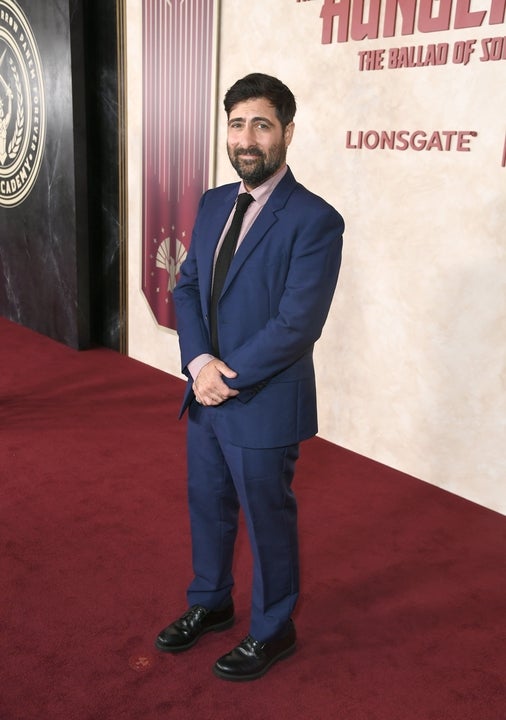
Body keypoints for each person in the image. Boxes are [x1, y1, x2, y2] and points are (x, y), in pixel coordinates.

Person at [155, 72, 344, 681]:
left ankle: (273, 628)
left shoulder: (315, 219)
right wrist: (198, 365)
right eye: (236, 124)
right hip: (205, 392)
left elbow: (297, 324)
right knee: (208, 505)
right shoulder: (214, 202)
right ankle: (211, 602)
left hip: (262, 399)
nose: (246, 138)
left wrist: (225, 377)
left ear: (287, 132)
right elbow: (188, 286)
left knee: (268, 520)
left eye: (261, 125)